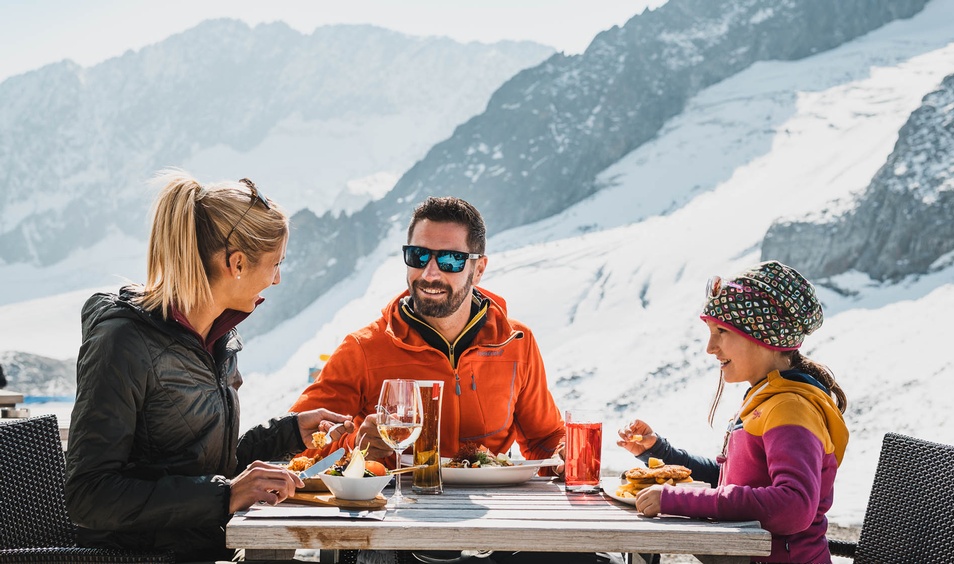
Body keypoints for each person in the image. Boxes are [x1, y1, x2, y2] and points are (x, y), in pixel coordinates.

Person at [291, 197, 606, 563]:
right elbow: (298, 446)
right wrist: (355, 447)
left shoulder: (516, 342)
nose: (430, 273)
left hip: (496, 525)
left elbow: (543, 437)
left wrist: (565, 452)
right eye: (418, 256)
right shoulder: (364, 349)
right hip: (396, 528)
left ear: (479, 267)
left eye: (451, 260)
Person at [65, 171, 354, 562]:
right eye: (275, 264)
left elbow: (202, 463)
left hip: (205, 547)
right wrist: (227, 495)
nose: (277, 279)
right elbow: (90, 496)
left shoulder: (217, 340)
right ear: (236, 263)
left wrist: (287, 434)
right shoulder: (123, 343)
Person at [618, 261, 849, 564]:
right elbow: (732, 486)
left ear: (763, 337)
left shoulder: (790, 408)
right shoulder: (766, 399)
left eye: (721, 332)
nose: (710, 348)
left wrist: (676, 499)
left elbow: (794, 506)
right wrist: (659, 452)